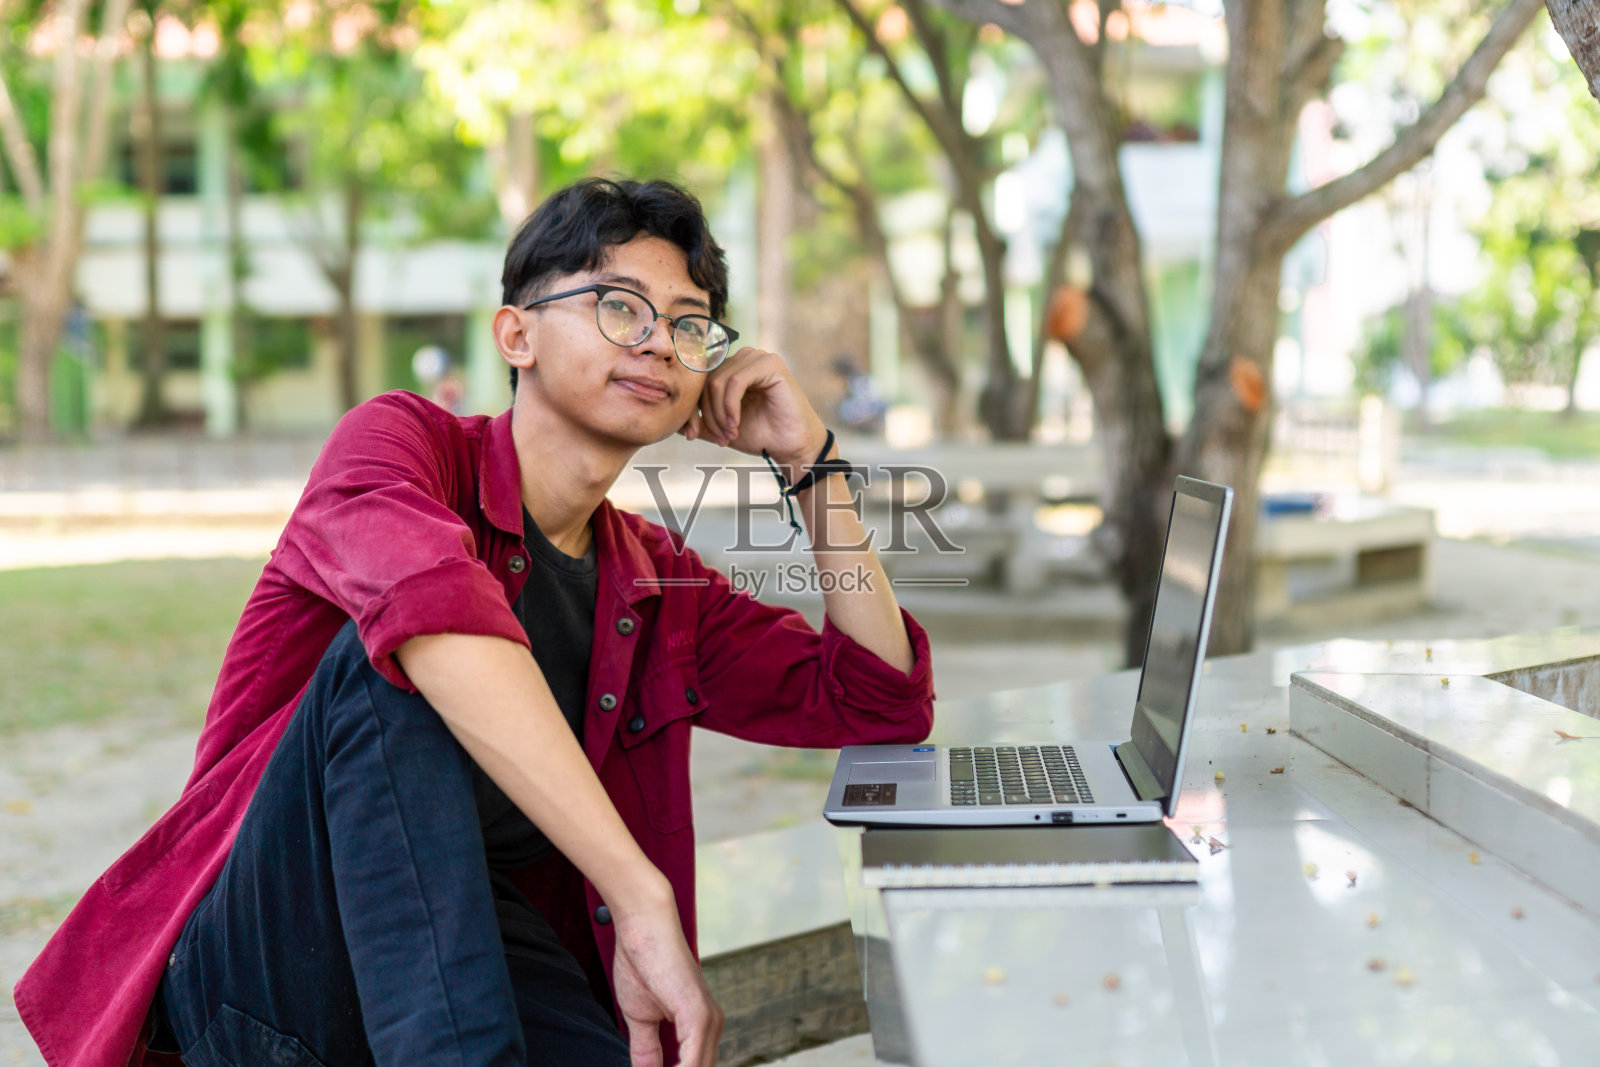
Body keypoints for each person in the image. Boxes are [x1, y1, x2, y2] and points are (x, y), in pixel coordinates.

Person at [14, 177, 935, 1067]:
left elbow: (873, 695)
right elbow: (434, 615)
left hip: (473, 966)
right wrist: (637, 889)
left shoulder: (653, 580)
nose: (659, 341)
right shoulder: (399, 446)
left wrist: (812, 461)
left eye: (690, 324)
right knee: (398, 666)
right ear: (516, 334)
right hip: (268, 966)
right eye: (621, 305)